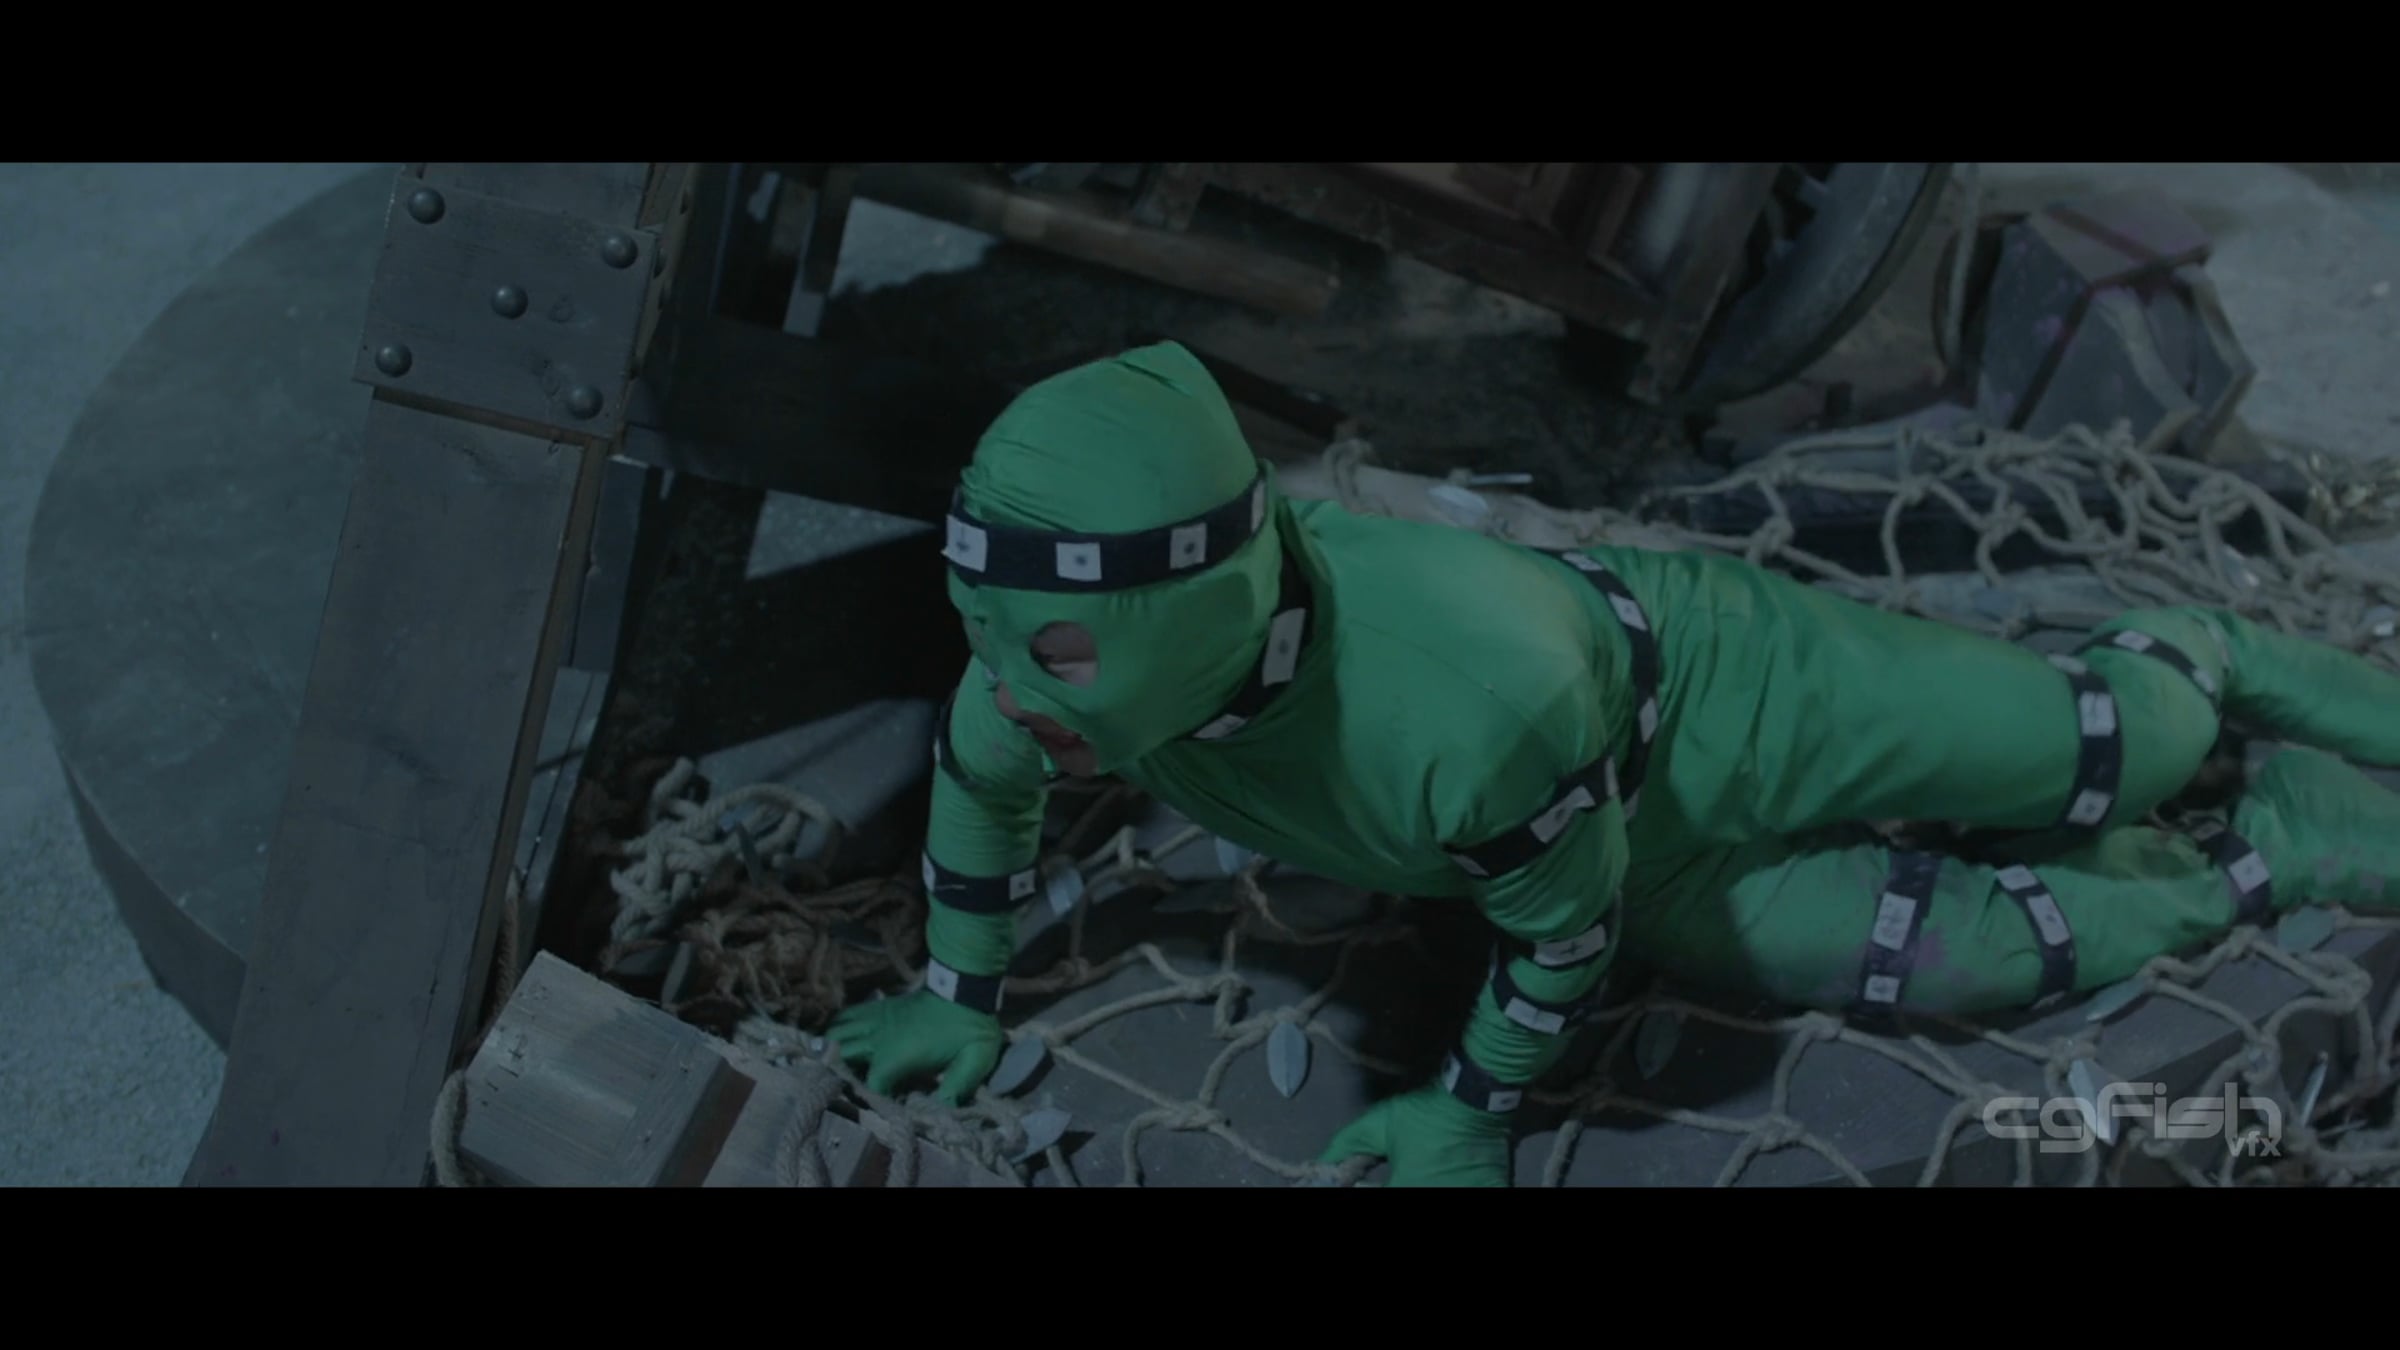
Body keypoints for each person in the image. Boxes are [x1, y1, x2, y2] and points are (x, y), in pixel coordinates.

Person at [827, 341, 2400, 1185]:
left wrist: (1468, 1110)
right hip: (1631, 846)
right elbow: (985, 785)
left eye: (1059, 645)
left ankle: (2216, 650)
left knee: (2108, 750)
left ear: (1205, 605)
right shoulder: (1033, 689)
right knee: (1962, 957)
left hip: (1732, 690)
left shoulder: (1468, 697)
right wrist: (962, 991)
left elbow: (1555, 944)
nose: (1007, 680)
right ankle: (2271, 848)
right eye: (983, 619)